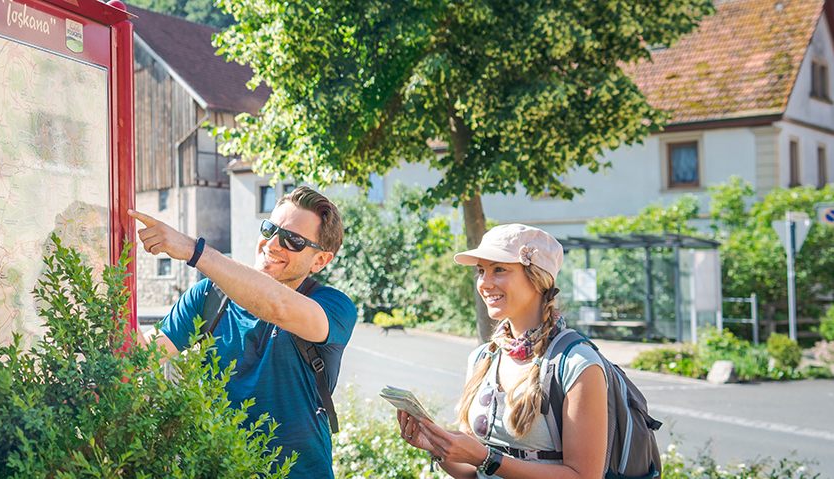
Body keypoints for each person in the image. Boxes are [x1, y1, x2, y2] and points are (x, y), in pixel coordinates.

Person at [130, 186, 357, 478]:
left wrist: (193, 250)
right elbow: (141, 357)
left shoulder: (334, 307)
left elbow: (278, 307)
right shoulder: (209, 296)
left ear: (320, 260)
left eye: (294, 240)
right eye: (269, 229)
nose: (272, 244)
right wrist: (104, 273)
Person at [397, 224, 608, 479]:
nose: (484, 283)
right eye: (481, 271)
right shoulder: (482, 358)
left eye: (499, 269)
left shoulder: (577, 363)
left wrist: (487, 458)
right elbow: (472, 472)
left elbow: (584, 476)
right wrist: (437, 448)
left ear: (537, 278)